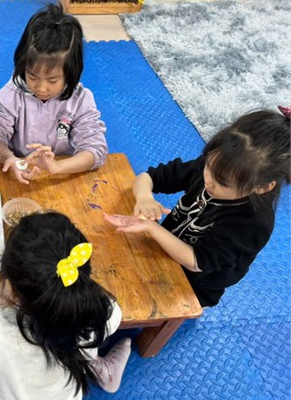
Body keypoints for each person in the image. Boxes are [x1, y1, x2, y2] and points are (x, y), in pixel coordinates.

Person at [0, 212, 131, 400]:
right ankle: (103, 372)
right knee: (77, 351)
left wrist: (8, 285)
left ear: (12, 287)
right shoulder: (106, 312)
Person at [104, 108, 291, 307]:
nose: (208, 180)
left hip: (193, 285)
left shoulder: (253, 224)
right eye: (208, 166)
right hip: (161, 249)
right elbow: (148, 177)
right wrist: (144, 198)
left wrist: (151, 227)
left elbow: (196, 262)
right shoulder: (215, 167)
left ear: (262, 187)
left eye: (222, 183)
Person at [0, 2, 108, 185]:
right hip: (17, 170)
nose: (41, 88)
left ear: (71, 73)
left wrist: (56, 167)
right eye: (32, 76)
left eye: (52, 80)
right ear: (22, 66)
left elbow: (96, 150)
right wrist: (10, 159)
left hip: (63, 173)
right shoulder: (11, 94)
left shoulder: (80, 100)